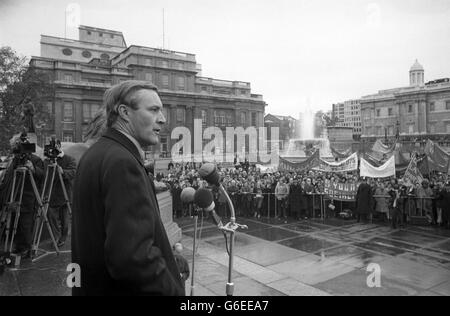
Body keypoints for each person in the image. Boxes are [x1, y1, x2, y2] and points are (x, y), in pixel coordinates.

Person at [72, 81, 185, 296]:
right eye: (153, 110)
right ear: (124, 112)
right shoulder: (122, 162)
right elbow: (133, 258)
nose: (162, 118)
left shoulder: (97, 154)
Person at [45, 139, 77, 248]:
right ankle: (56, 236)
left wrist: (63, 171)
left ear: (59, 145)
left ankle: (63, 237)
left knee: (65, 219)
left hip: (65, 194)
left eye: (55, 146)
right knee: (50, 215)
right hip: (52, 194)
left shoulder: (69, 159)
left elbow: (73, 172)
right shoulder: (48, 160)